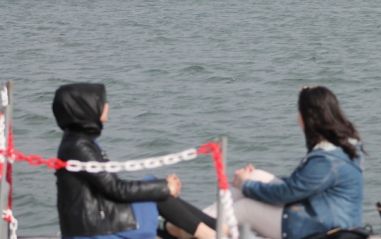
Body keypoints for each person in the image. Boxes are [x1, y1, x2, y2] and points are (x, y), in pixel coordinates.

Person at [53, 83, 216, 239]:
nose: (107, 105)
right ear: (86, 108)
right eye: (102, 101)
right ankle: (213, 234)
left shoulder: (79, 142)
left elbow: (109, 189)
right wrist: (164, 187)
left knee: (155, 188)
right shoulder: (79, 147)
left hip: (95, 222)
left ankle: (208, 228)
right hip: (93, 231)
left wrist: (161, 187)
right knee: (158, 192)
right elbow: (115, 188)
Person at [227, 86, 364, 239]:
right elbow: (300, 185)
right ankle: (203, 225)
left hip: (321, 229)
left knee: (244, 208)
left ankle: (203, 229)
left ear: (308, 118)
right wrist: (247, 182)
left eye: (300, 112)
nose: (297, 118)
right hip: (323, 216)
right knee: (255, 176)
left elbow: (289, 192)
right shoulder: (345, 146)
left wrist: (246, 185)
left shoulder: (326, 161)